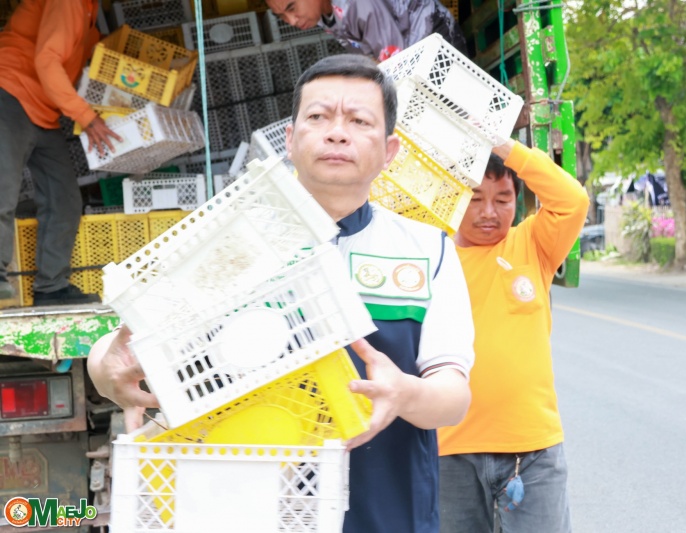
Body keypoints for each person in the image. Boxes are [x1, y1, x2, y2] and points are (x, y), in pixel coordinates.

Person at [87, 54, 475, 533]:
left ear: (389, 150)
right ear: (289, 140)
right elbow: (120, 347)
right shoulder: (221, 243)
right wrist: (106, 370)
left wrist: (404, 393)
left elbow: (453, 395)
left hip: (386, 511)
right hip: (243, 513)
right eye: (318, 117)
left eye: (359, 121)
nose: (337, 133)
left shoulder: (426, 249)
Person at [437, 142, 590, 533]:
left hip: (532, 451)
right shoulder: (434, 256)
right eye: (475, 199)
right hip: (450, 450)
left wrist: (501, 145)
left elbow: (572, 200)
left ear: (517, 203)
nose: (489, 212)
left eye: (503, 199)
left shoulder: (533, 244)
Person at [0, 0, 121, 305]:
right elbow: (48, 60)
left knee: (64, 200)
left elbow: (78, 64)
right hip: (9, 92)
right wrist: (87, 117)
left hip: (43, 110)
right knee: (3, 192)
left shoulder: (90, 11)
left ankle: (51, 288)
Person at [265, 0, 467, 61]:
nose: (291, 21)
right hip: (407, 53)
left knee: (462, 113)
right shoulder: (320, 14)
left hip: (433, 38)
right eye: (281, 16)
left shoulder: (355, 4)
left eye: (292, 8)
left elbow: (397, 59)